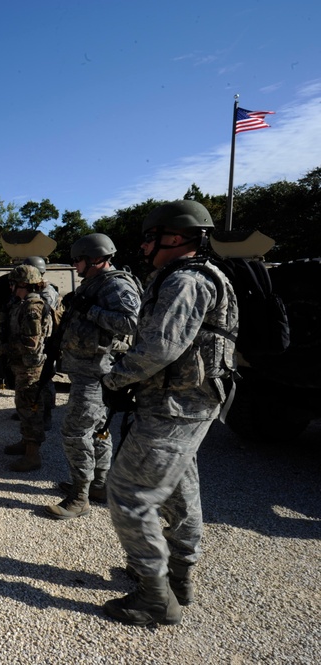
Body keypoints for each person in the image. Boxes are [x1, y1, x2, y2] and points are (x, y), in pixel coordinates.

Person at [101, 200, 237, 626]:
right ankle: (178, 578)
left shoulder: (186, 281)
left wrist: (115, 378)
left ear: (175, 237)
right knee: (179, 489)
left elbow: (161, 347)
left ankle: (154, 596)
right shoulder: (196, 276)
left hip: (175, 407)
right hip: (187, 404)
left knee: (129, 493)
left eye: (149, 236)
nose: (143, 245)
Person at [46, 235, 140, 519]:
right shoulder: (95, 283)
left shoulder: (115, 284)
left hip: (97, 372)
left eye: (78, 260)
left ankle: (79, 497)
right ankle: (99, 485)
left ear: (96, 259)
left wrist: (92, 310)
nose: (75, 265)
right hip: (87, 371)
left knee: (75, 432)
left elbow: (132, 322)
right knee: (99, 430)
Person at [0, 264, 53, 472]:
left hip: (30, 368)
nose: (11, 287)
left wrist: (5, 348)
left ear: (22, 284)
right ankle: (26, 442)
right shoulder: (22, 304)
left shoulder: (32, 308)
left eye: (14, 283)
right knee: (23, 406)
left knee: (31, 409)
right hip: (23, 367)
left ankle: (33, 454)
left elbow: (31, 343)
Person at [23, 256, 60, 428]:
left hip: (47, 341)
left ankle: (47, 414)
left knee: (45, 378)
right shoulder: (38, 290)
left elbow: (43, 314)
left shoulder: (47, 291)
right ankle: (33, 409)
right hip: (40, 340)